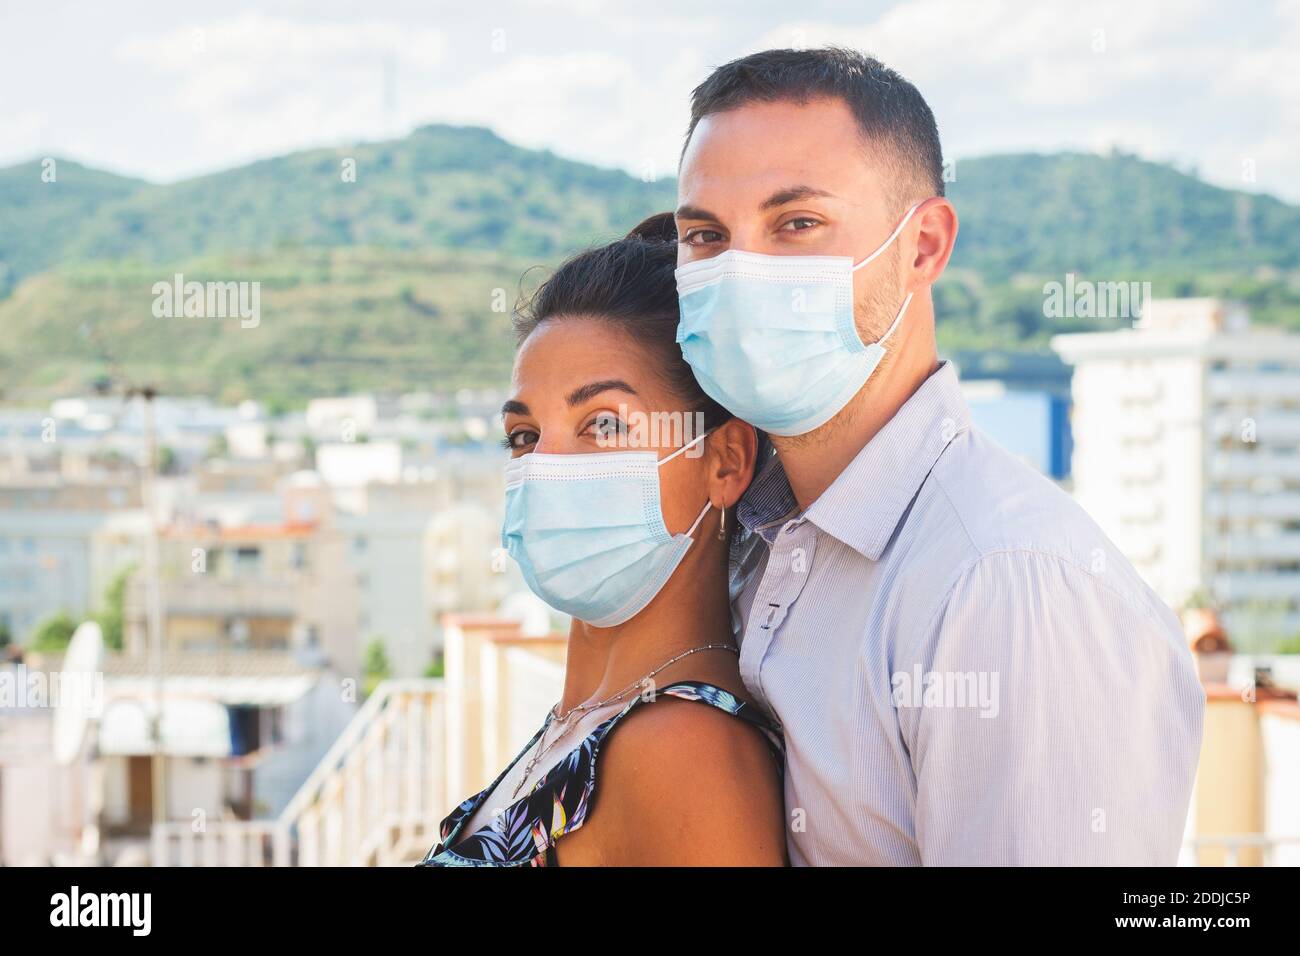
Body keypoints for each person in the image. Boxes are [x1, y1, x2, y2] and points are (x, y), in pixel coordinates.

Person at [671, 47, 1206, 865]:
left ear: (922, 246)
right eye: (706, 236)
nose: (741, 271)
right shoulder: (755, 532)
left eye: (798, 223)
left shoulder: (1005, 584)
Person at [417, 217, 786, 867]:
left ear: (724, 462)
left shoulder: (684, 750)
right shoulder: (582, 725)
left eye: (603, 424)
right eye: (526, 436)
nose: (545, 465)